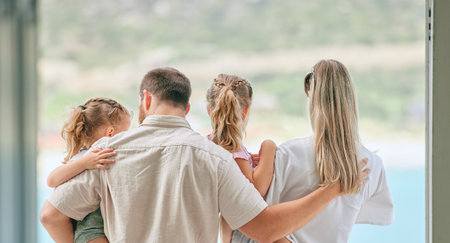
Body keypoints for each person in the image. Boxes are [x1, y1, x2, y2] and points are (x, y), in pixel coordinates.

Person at [40, 67, 369, 242]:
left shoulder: (106, 153)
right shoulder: (213, 157)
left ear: (145, 99)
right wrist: (334, 189)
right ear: (187, 107)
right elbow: (266, 229)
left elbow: (51, 216)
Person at [232, 59, 394, 243]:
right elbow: (346, 216)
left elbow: (259, 224)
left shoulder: (287, 156)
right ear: (350, 97)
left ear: (311, 96)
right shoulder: (372, 165)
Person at [46, 97, 131, 243]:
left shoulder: (88, 155)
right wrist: (84, 163)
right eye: (125, 132)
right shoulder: (89, 157)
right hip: (91, 231)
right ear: (110, 133)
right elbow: (51, 180)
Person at [206, 74, 278, 242]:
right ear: (245, 111)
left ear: (209, 110)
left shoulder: (209, 144)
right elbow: (254, 191)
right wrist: (269, 147)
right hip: (243, 233)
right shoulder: (232, 147)